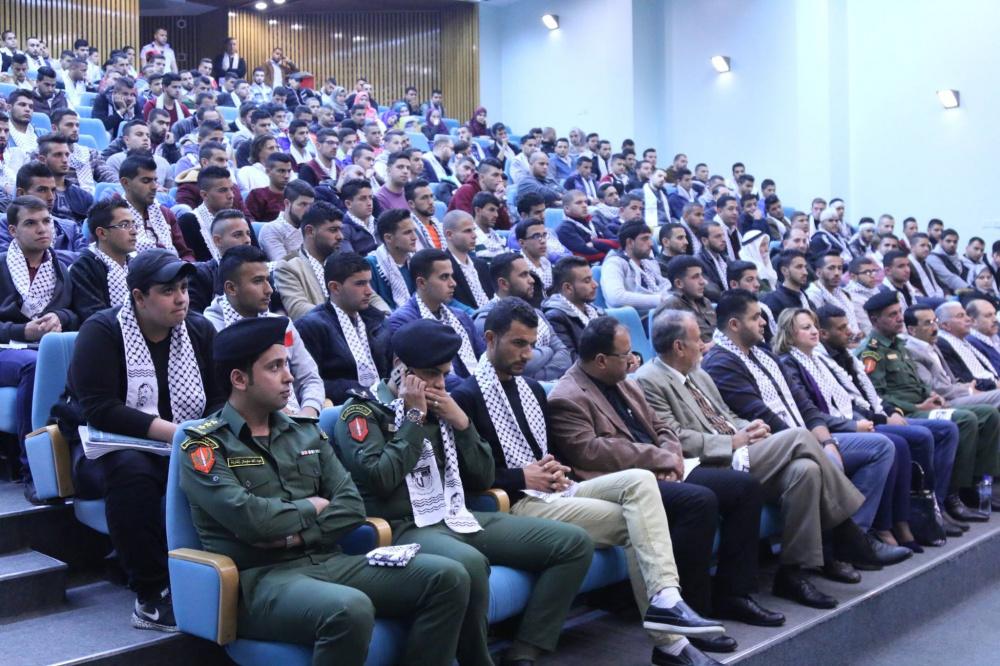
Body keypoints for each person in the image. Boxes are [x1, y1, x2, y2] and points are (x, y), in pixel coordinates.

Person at [454, 299, 730, 665]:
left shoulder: (531, 389)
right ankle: (671, 645)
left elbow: (551, 453)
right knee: (641, 524)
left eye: (532, 344)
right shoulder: (466, 397)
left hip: (555, 491)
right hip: (514, 504)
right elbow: (465, 477)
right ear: (490, 339)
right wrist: (521, 475)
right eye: (518, 343)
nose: (528, 354)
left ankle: (666, 600)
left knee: (640, 482)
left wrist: (554, 468)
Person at [180, 315, 469, 664]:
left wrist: (295, 535)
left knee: (448, 577)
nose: (289, 377)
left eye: (287, 364)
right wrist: (312, 506)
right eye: (274, 367)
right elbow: (253, 521)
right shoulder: (205, 446)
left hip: (331, 561)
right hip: (263, 582)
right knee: (349, 608)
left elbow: (351, 506)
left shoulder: (305, 432)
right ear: (239, 379)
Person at [335, 318, 593, 666]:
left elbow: (484, 476)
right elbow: (382, 478)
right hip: (404, 526)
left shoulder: (443, 406)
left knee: (573, 543)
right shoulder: (362, 412)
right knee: (469, 563)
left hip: (456, 514)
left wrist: (462, 424)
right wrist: (413, 418)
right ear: (400, 368)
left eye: (444, 374)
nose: (440, 384)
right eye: (430, 374)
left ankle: (526, 649)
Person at [547, 315, 776, 642]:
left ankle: (733, 594)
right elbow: (591, 452)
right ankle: (691, 610)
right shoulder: (566, 397)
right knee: (698, 502)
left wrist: (669, 456)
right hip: (620, 483)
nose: (633, 359)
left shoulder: (626, 382)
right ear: (600, 360)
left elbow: (663, 427)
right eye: (625, 354)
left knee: (745, 489)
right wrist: (659, 459)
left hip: (664, 468)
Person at [637, 307, 879, 607]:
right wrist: (732, 441)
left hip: (741, 449)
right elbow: (674, 437)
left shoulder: (698, 373)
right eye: (698, 339)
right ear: (678, 346)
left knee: (805, 471)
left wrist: (750, 428)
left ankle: (793, 573)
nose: (704, 345)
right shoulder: (649, 380)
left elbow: (726, 415)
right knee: (800, 436)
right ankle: (848, 530)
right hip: (711, 462)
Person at [65, 249, 223, 630]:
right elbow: (100, 409)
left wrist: (203, 432)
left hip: (183, 440)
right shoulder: (102, 331)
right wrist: (179, 433)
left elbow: (220, 398)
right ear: (139, 297)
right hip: (108, 446)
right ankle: (151, 595)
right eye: (168, 291)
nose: (181, 298)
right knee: (133, 472)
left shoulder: (199, 330)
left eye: (183, 288)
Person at [773, 308, 917, 560]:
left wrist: (862, 420)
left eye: (814, 325)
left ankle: (892, 524)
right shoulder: (788, 363)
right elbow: (810, 412)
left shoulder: (817, 359)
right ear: (789, 334)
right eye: (806, 327)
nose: (814, 331)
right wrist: (853, 426)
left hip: (840, 425)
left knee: (899, 441)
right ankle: (859, 534)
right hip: (817, 433)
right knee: (887, 445)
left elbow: (846, 401)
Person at [818, 304, 961, 540]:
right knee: (913, 438)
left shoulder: (870, 351)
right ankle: (905, 519)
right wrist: (904, 410)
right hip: (865, 420)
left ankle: (937, 505)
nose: (849, 331)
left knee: (947, 429)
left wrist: (900, 408)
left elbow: (875, 394)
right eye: (842, 328)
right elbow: (849, 403)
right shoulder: (860, 353)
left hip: (887, 412)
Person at [863, 293, 999, 525]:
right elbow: (878, 396)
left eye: (899, 312)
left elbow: (917, 383)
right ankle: (950, 497)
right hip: (907, 412)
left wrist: (931, 395)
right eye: (892, 315)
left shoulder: (899, 344)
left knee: (988, 414)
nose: (899, 318)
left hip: (924, 404)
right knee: (964, 420)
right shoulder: (871, 352)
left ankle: (978, 486)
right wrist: (917, 405)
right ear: (875, 320)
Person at [0, 196, 79, 498]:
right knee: (35, 367)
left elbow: (75, 312)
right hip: (6, 349)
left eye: (46, 221)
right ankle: (33, 470)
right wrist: (22, 330)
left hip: (45, 346)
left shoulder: (62, 266)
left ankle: (82, 465)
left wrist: (60, 318)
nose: (42, 229)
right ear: (12, 230)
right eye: (31, 223)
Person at [295, 251, 388, 404]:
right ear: (335, 287)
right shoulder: (310, 327)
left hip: (385, 402)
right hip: (343, 409)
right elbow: (309, 383)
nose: (369, 291)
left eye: (369, 282)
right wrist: (359, 391)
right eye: (360, 284)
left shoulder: (377, 320)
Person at [384, 249, 485, 384]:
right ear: (421, 283)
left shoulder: (460, 316)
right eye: (444, 277)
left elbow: (483, 358)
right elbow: (426, 375)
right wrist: (474, 389)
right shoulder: (403, 322)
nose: (453, 283)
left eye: (452, 276)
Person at [472, 254, 570, 380]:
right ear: (504, 284)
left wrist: (537, 377)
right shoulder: (485, 320)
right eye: (524, 275)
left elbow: (565, 355)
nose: (532, 280)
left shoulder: (537, 313)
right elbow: (513, 364)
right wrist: (549, 350)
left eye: (529, 274)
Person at [273, 202, 347, 321]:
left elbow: (371, 298)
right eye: (333, 230)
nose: (340, 236)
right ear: (310, 231)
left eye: (340, 230)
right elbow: (298, 309)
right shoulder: (288, 266)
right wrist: (343, 316)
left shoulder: (344, 262)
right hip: (321, 329)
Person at [70, 198, 137, 320]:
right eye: (124, 225)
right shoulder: (83, 268)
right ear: (102, 233)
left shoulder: (136, 263)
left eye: (134, 224)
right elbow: (96, 319)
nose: (134, 231)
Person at [118, 154, 193, 259]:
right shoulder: (113, 218)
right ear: (126, 183)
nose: (154, 187)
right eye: (146, 181)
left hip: (174, 266)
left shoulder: (165, 213)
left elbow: (185, 253)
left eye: (155, 180)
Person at [601, 220, 669, 321]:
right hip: (634, 321)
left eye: (650, 238)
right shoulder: (613, 263)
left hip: (660, 314)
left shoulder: (649, 262)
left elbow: (665, 285)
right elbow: (616, 297)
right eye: (645, 239)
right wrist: (659, 300)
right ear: (630, 242)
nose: (651, 244)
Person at [187, 210, 253, 313]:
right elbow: (194, 317)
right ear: (217, 240)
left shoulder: (262, 271)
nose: (247, 240)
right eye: (237, 235)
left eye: (248, 234)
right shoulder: (201, 275)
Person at [542, 255, 604, 361]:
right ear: (568, 288)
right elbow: (571, 360)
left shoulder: (596, 311)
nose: (595, 285)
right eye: (587, 281)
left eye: (592, 278)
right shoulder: (555, 318)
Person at [366, 209, 417, 311]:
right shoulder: (370, 264)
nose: (414, 237)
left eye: (414, 231)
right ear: (388, 238)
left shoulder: (417, 261)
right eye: (407, 232)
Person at [805, 252, 862, 342]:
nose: (837, 273)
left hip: (855, 341)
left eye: (840, 268)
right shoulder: (813, 295)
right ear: (818, 272)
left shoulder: (842, 292)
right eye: (831, 268)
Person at [253, 179, 314, 262]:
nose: (308, 210)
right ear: (287, 203)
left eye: (311, 205)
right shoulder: (271, 230)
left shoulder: (312, 227)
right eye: (303, 204)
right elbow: (283, 265)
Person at [443, 210, 493, 311]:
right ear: (449, 234)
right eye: (467, 231)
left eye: (474, 230)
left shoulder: (481, 265)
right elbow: (448, 302)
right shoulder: (442, 268)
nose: (474, 235)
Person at [662, 256, 716, 344]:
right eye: (695, 277)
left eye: (701, 275)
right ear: (679, 283)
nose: (703, 282)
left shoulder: (705, 301)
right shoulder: (670, 308)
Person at [448, 158, 512, 231]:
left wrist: (498, 203)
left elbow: (506, 227)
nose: (500, 180)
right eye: (495, 175)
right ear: (482, 177)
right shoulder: (466, 191)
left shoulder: (495, 193)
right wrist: (493, 202)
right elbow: (468, 226)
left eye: (501, 175)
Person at [556, 189, 617, 264]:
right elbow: (585, 253)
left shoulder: (594, 222)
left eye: (585, 202)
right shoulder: (564, 229)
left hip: (608, 261)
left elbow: (617, 241)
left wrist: (594, 243)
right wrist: (611, 250)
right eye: (579, 203)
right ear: (567, 209)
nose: (584, 205)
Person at [762, 250, 813, 322]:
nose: (805, 272)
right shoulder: (774, 300)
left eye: (805, 267)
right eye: (799, 267)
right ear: (784, 271)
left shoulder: (804, 297)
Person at [245, 153, 295, 223]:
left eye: (289, 171)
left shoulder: (295, 195)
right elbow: (249, 222)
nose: (287, 176)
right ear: (268, 172)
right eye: (281, 171)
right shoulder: (257, 195)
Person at [339, 179, 379, 256]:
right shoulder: (342, 229)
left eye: (371, 197)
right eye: (363, 199)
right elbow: (351, 260)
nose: (369, 203)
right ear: (348, 204)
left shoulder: (379, 223)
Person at [405, 179, 444, 251]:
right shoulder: (409, 231)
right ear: (411, 204)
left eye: (431, 196)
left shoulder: (440, 227)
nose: (431, 202)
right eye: (424, 198)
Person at [926, 228, 968, 295]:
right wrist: (970, 289)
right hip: (944, 294)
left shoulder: (959, 259)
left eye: (955, 242)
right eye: (948, 241)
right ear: (940, 241)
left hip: (960, 292)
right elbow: (949, 278)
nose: (952, 244)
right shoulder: (932, 258)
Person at [966, 298, 1000, 373]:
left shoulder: (996, 334)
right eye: (988, 316)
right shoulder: (971, 344)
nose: (995, 319)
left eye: (994, 314)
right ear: (973, 321)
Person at [908, 232, 946, 299]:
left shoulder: (926, 265)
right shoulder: (907, 265)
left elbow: (939, 283)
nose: (927, 249)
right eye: (922, 245)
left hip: (936, 298)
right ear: (912, 247)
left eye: (928, 246)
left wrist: (947, 294)